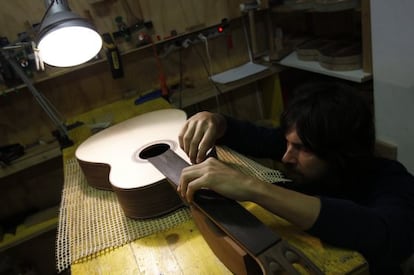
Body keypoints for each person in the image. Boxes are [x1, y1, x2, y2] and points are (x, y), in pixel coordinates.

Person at [177, 81, 414, 275]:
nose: (286, 156)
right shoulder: (298, 147)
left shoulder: (392, 180)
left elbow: (383, 233)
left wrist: (253, 188)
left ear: (340, 152)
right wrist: (216, 121)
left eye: (301, 148)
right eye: (288, 143)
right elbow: (254, 136)